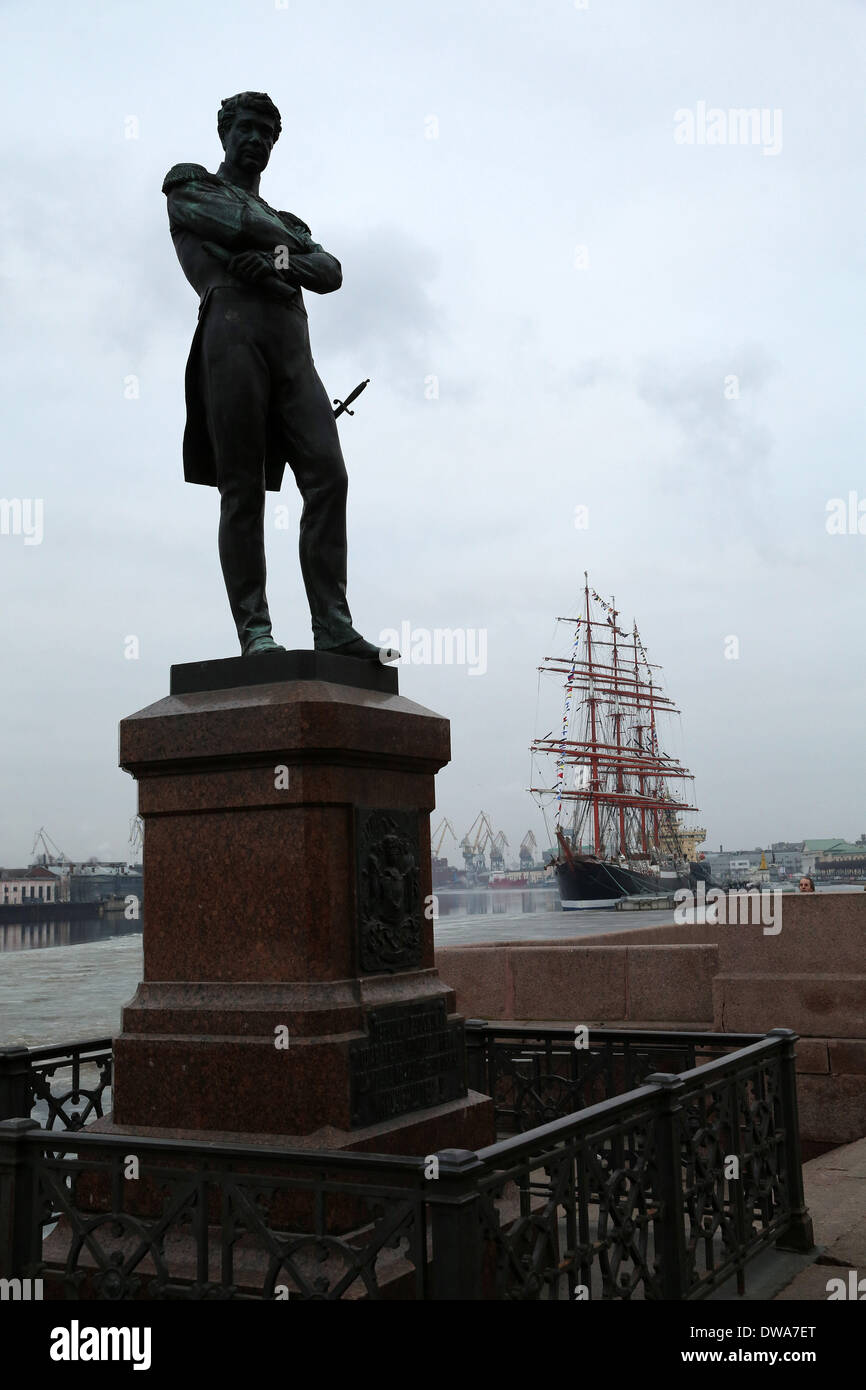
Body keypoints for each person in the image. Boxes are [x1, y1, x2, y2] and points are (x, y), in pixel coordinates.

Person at [163, 91, 394, 660]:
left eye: (268, 133)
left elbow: (330, 271)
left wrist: (273, 260)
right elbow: (231, 219)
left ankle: (333, 625)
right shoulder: (189, 183)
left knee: (328, 478)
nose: (257, 140)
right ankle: (255, 633)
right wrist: (285, 255)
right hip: (232, 335)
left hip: (293, 352)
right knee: (242, 490)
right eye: (247, 128)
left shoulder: (287, 222)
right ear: (225, 132)